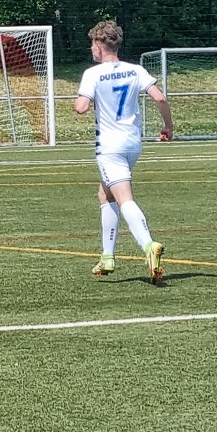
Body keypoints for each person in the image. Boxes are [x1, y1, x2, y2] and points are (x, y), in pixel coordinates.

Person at [75, 20, 174, 284]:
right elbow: (160, 98)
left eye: (92, 45)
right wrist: (168, 126)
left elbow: (81, 107)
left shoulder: (93, 74)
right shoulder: (135, 70)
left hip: (109, 146)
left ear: (99, 46)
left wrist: (83, 99)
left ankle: (149, 245)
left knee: (124, 198)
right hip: (132, 143)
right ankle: (107, 257)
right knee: (105, 194)